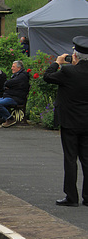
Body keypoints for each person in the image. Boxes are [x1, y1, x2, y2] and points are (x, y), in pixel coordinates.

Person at [43, 36, 88, 207]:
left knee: (70, 159)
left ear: (75, 56)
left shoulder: (68, 72)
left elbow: (47, 77)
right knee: (86, 159)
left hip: (70, 122)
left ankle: (71, 196)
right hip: (87, 123)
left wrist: (57, 62)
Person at [0, 60, 30, 128]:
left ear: (19, 68)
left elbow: (8, 83)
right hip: (11, 96)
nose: (12, 68)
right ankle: (4, 118)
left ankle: (10, 119)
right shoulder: (16, 75)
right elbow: (8, 85)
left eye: (13, 66)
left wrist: (8, 86)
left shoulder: (22, 76)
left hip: (17, 98)